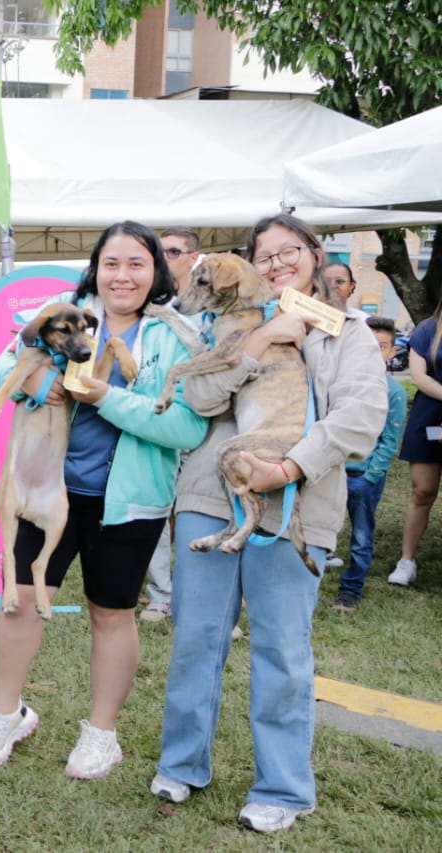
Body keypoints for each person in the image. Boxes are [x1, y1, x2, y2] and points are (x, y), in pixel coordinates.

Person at [153, 213, 386, 834]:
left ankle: (282, 789)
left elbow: (362, 418)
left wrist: (288, 467)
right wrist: (259, 341)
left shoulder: (350, 332)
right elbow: (202, 401)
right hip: (211, 490)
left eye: (290, 252)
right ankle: (181, 764)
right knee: (196, 635)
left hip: (298, 503)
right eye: (267, 254)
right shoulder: (233, 320)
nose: (279, 263)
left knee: (282, 649)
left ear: (313, 254)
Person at [0, 221, 207, 777]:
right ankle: (6, 714)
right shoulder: (64, 311)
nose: (122, 275)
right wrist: (30, 384)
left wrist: (108, 398)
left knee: (112, 613)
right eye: (112, 263)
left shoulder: (176, 335)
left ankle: (101, 734)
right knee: (19, 599)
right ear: (95, 267)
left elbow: (188, 430)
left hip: (128, 499)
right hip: (47, 484)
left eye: (136, 264)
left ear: (158, 271)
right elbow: (7, 361)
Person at [139, 226, 205, 624]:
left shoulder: (209, 302)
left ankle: (199, 599)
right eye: (159, 252)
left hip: (201, 422)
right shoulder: (147, 302)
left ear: (195, 257)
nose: (165, 259)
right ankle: (161, 594)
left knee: (200, 512)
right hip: (158, 419)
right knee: (157, 511)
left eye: (174, 251)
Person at [331, 316, 406, 610]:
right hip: (333, 471)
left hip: (364, 476)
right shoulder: (340, 383)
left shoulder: (394, 392)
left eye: (382, 346)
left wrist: (370, 475)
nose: (373, 352)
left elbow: (389, 441)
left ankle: (351, 589)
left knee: (361, 536)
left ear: (391, 351)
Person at [389, 293, 442, 586]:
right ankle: (406, 561)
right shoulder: (427, 329)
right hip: (429, 417)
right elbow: (419, 377)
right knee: (423, 491)